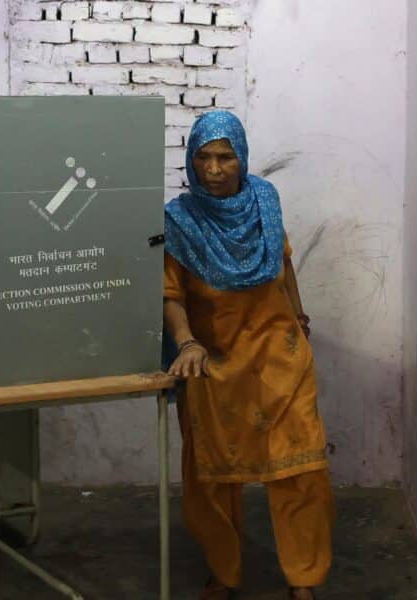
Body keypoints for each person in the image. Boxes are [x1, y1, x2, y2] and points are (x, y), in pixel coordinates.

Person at [163, 111, 334, 600]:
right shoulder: (179, 220)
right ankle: (224, 572)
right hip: (213, 364)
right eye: (204, 157)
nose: (215, 168)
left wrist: (299, 320)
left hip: (280, 360)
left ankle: (304, 579)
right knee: (213, 478)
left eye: (225, 156)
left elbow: (282, 264)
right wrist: (186, 342)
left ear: (242, 157)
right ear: (192, 162)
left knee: (301, 470)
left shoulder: (265, 200)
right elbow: (169, 292)